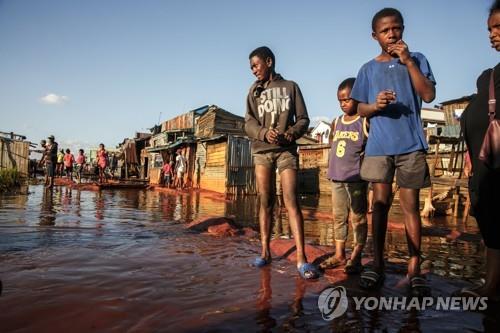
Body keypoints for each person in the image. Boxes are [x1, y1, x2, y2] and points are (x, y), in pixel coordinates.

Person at [350, 8, 436, 295]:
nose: (392, 34)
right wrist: (376, 106)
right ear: (375, 36)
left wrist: (408, 61)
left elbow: (428, 95)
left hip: (411, 146)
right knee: (381, 206)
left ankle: (414, 266)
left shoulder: (418, 59)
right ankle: (378, 265)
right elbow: (358, 107)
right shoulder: (367, 69)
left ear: (403, 29)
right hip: (378, 148)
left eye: (396, 28)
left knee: (410, 207)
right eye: (385, 31)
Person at [245, 46, 319, 280]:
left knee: (291, 200)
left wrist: (290, 134)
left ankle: (301, 259)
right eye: (251, 67)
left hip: (287, 151)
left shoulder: (290, 87)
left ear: (269, 61)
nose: (254, 71)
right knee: (265, 200)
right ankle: (265, 252)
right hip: (262, 151)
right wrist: (265, 133)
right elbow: (248, 123)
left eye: (256, 65)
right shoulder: (253, 91)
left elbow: (304, 119)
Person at [458, 0, 500, 301]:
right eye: (490, 29)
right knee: (493, 227)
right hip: (487, 167)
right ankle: (492, 285)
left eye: (499, 27)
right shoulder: (490, 75)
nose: (492, 34)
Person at [322, 77, 368, 274]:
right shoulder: (336, 122)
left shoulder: (364, 122)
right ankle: (339, 253)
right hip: (337, 179)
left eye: (347, 100)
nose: (343, 104)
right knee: (338, 217)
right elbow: (333, 148)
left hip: (356, 180)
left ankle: (356, 255)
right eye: (340, 101)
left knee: (358, 217)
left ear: (357, 98)